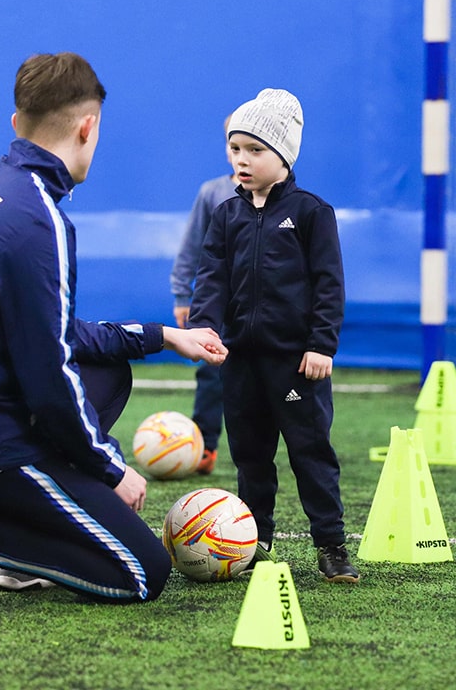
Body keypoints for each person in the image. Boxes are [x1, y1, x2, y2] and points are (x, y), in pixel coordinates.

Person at [0, 52, 228, 608]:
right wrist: (110, 466)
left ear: (16, 124)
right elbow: (50, 375)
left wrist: (163, 336)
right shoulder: (37, 218)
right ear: (88, 126)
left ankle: (20, 563)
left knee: (109, 374)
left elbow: (56, 333)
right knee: (143, 571)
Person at [189, 88, 359, 583]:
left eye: (255, 150)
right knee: (250, 455)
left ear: (283, 155)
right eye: (234, 148)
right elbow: (212, 277)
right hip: (241, 365)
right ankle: (253, 540)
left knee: (309, 451)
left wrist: (321, 344)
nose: (241, 160)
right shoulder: (226, 214)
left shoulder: (311, 212)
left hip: (294, 368)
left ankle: (331, 545)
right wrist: (204, 328)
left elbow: (330, 282)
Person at [170, 115, 238, 475]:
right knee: (212, 376)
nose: (240, 153)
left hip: (268, 310)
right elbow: (192, 247)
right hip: (219, 307)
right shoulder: (212, 193)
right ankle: (205, 446)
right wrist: (184, 296)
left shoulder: (285, 198)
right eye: (233, 142)